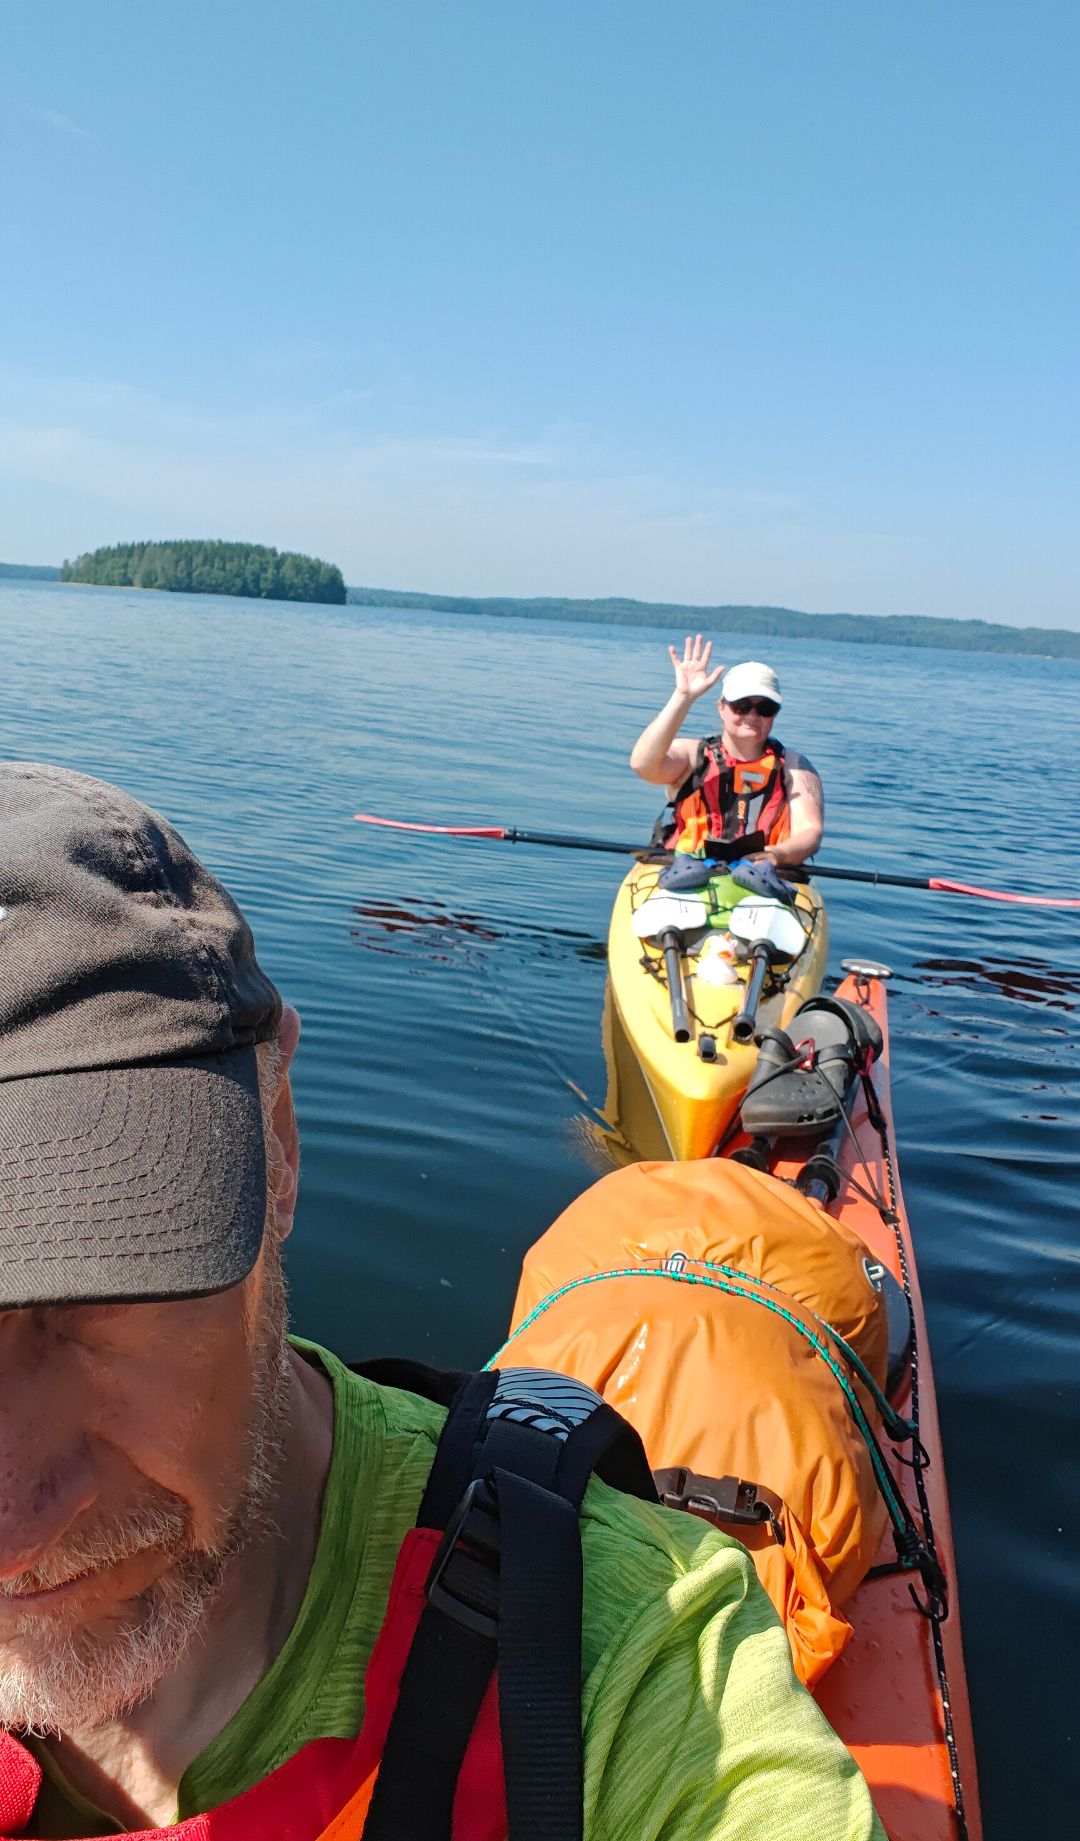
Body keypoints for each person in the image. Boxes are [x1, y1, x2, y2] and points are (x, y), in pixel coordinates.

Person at [0, 763, 880, 1839]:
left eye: (98, 1282)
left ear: (278, 1141)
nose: (12, 1536)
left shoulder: (634, 1664)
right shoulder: (696, 763)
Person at [630, 637, 824, 867]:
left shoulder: (794, 766)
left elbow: (810, 830)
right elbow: (643, 765)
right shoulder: (693, 755)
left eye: (765, 708)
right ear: (721, 708)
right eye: (741, 706)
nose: (752, 716)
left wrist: (777, 854)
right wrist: (683, 697)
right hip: (683, 867)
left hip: (763, 870)